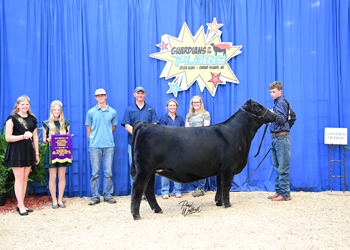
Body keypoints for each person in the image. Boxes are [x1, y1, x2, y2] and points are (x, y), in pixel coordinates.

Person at [4, 95, 40, 216]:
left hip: (28, 150)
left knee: (25, 178)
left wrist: (37, 153)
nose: (25, 106)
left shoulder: (32, 118)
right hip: (16, 150)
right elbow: (7, 137)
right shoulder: (12, 119)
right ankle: (20, 205)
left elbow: (35, 137)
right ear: (17, 105)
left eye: (27, 104)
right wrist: (22, 137)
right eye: (22, 104)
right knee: (19, 178)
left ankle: (22, 204)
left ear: (29, 106)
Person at [121, 86, 159, 190]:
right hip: (133, 144)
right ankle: (136, 192)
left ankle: (147, 192)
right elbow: (127, 125)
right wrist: (138, 134)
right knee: (134, 168)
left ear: (144, 95)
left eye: (142, 93)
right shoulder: (129, 109)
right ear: (134, 95)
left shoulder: (151, 109)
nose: (140, 95)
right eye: (138, 93)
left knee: (148, 168)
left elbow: (155, 125)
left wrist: (145, 136)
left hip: (148, 145)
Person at [85, 88, 118, 205]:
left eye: (102, 95)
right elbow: (88, 129)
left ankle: (108, 195)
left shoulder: (112, 112)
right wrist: (94, 140)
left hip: (109, 146)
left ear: (106, 96)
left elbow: (113, 127)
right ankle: (95, 196)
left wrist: (106, 136)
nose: (100, 97)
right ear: (95, 97)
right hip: (95, 146)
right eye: (98, 96)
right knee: (95, 172)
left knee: (108, 172)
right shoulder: (91, 112)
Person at [42, 100, 71, 209]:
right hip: (51, 152)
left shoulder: (66, 123)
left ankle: (60, 199)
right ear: (51, 110)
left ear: (61, 111)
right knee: (52, 177)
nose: (56, 111)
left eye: (58, 109)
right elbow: (44, 140)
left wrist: (69, 138)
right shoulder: (47, 123)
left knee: (62, 176)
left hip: (63, 151)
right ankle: (54, 199)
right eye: (55, 109)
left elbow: (67, 138)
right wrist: (47, 140)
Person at [268, 81, 292, 201]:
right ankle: (279, 191)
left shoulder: (281, 102)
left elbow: (282, 119)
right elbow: (292, 116)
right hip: (277, 137)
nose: (272, 94)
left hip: (281, 138)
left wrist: (272, 114)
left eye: (274, 92)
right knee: (277, 166)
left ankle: (285, 193)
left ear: (280, 91)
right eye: (271, 92)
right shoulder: (278, 103)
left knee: (282, 167)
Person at [185, 95, 210, 197]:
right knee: (193, 165)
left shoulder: (205, 114)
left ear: (201, 103)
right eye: (193, 103)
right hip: (191, 144)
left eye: (197, 102)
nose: (195, 104)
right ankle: (195, 185)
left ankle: (201, 188)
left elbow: (207, 129)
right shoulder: (189, 115)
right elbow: (187, 130)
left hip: (202, 143)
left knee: (202, 165)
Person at [159, 99, 184, 199]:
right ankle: (165, 191)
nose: (172, 107)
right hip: (166, 147)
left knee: (178, 169)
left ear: (176, 107)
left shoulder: (180, 119)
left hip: (178, 147)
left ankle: (177, 191)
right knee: (165, 169)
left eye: (174, 105)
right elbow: (161, 133)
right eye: (170, 105)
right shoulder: (163, 118)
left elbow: (183, 133)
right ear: (167, 107)